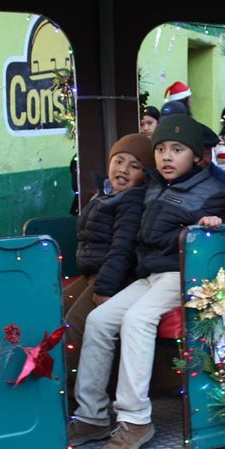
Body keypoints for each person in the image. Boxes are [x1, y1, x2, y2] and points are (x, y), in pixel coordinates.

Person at [68, 114, 225, 449]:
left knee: (137, 319)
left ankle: (136, 419)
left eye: (177, 150)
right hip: (149, 274)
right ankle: (92, 414)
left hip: (180, 274)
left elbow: (216, 229)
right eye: (160, 150)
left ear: (197, 158)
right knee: (98, 321)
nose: (167, 157)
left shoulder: (213, 192)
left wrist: (208, 224)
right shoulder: (154, 185)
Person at [63, 134, 153, 365]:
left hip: (111, 276)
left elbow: (122, 248)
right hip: (93, 272)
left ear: (144, 175)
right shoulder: (104, 195)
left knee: (75, 323)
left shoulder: (131, 201)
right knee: (55, 308)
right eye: (119, 161)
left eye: (134, 166)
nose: (123, 170)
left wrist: (105, 288)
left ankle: (68, 392)